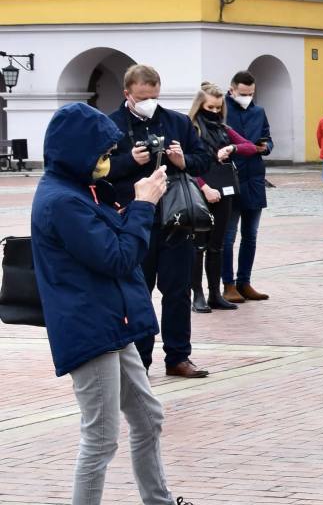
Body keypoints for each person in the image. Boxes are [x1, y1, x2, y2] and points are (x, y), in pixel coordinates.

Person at [33, 102, 225, 505]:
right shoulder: (62, 200)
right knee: (100, 435)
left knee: (147, 416)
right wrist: (142, 205)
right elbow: (119, 257)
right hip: (89, 326)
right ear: (77, 152)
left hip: (111, 321)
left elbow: (115, 242)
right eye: (101, 152)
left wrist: (134, 202)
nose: (107, 159)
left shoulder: (84, 190)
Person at [97, 64, 210, 378]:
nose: (149, 102)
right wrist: (128, 161)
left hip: (176, 218)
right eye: (142, 96)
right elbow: (98, 170)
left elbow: (203, 159)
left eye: (154, 96)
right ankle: (140, 363)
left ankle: (178, 357)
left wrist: (182, 160)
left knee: (178, 290)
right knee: (137, 292)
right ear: (127, 94)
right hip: (132, 220)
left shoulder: (176, 122)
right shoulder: (111, 125)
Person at [184, 82, 257, 314]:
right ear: (200, 106)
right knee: (199, 245)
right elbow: (185, 165)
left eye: (218, 108)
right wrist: (204, 187)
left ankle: (215, 293)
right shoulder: (191, 129)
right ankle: (197, 294)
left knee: (217, 246)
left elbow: (250, 147)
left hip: (223, 191)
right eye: (210, 107)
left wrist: (232, 149)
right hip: (199, 193)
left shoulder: (223, 129)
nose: (214, 112)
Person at [221, 70, 272, 304]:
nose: (247, 97)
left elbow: (267, 137)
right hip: (230, 177)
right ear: (232, 90)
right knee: (228, 236)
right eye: (243, 93)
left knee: (250, 235)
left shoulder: (258, 111)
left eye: (251, 93)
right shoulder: (221, 109)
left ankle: (245, 281)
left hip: (254, 177)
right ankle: (228, 284)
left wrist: (265, 146)